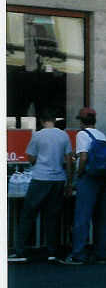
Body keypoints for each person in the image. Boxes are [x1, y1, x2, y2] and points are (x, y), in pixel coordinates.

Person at [8, 110, 73, 263]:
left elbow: (30, 157)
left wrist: (38, 160)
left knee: (28, 214)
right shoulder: (64, 135)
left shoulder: (37, 135)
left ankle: (20, 251)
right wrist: (69, 182)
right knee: (52, 215)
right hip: (58, 179)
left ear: (42, 121)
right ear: (54, 120)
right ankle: (52, 251)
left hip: (40, 178)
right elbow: (69, 159)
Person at [60, 107, 106, 265]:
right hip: (103, 178)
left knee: (82, 217)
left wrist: (79, 174)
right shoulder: (101, 134)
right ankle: (101, 253)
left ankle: (78, 255)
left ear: (82, 121)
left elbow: (83, 157)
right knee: (101, 217)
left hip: (89, 178)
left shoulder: (82, 134)